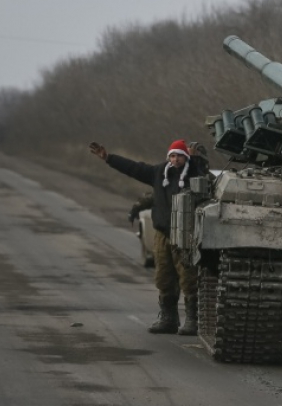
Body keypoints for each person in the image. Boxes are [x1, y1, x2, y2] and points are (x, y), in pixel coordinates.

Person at [88, 139, 207, 335]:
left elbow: (205, 179)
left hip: (186, 234)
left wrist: (195, 161)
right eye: (172, 155)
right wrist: (109, 158)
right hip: (162, 233)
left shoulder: (193, 174)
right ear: (168, 157)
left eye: (179, 156)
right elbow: (134, 168)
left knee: (188, 277)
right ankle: (168, 318)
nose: (175, 159)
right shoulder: (159, 173)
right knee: (164, 276)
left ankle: (193, 319)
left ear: (186, 157)